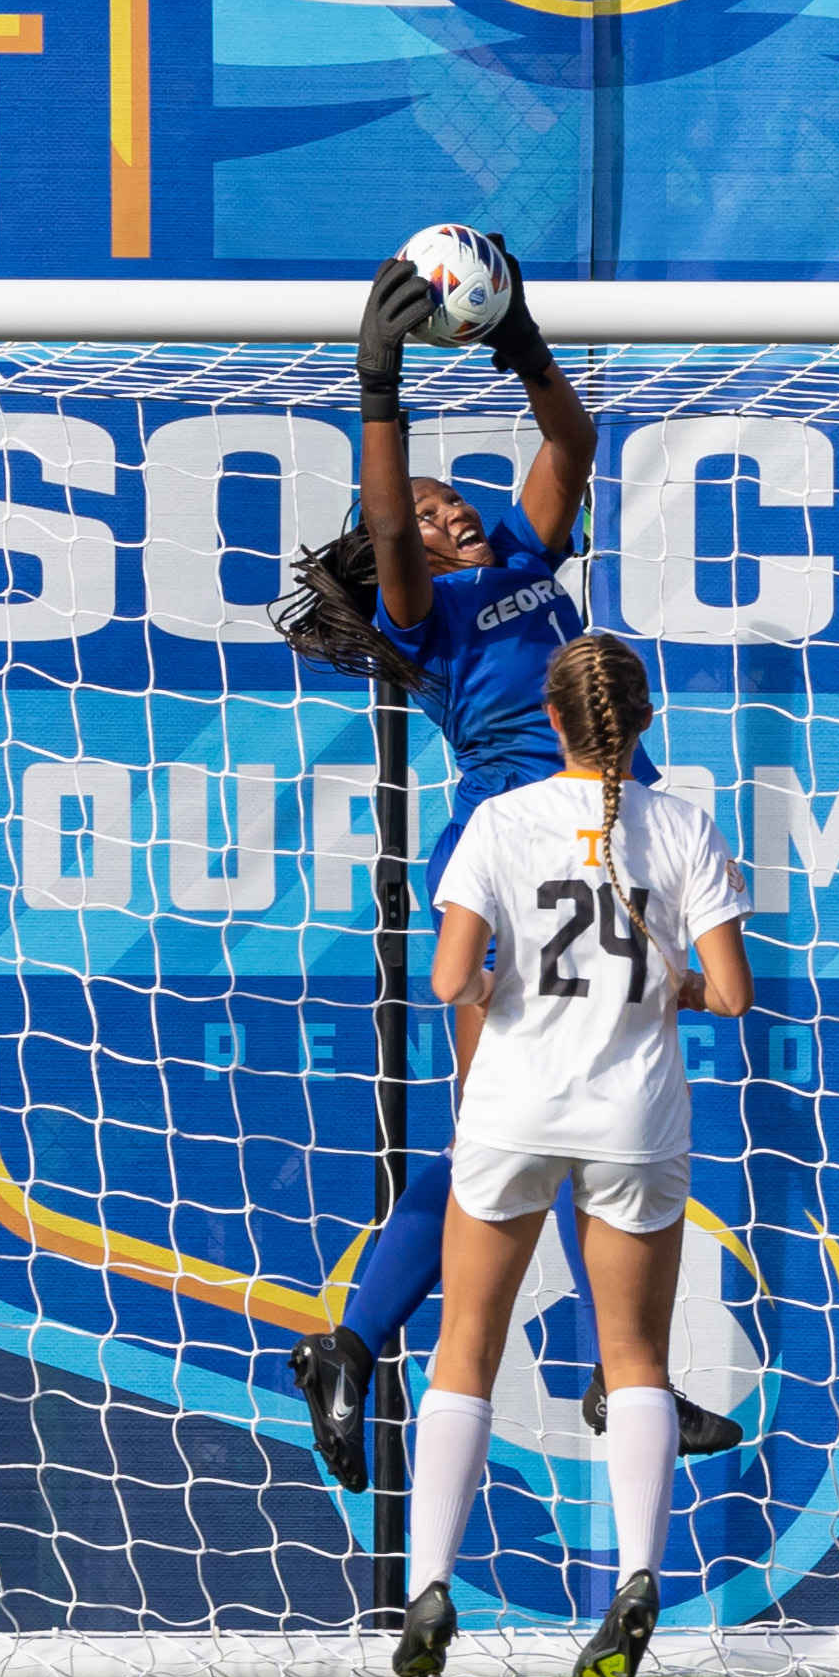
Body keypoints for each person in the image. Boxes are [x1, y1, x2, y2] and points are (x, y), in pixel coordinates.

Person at [272, 251, 736, 1486]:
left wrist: (522, 344)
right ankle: (399, 1346)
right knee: (511, 1126)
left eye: (447, 503)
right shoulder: (423, 613)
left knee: (582, 1115)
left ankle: (566, 1364)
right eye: (424, 516)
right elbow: (383, 526)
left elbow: (571, 446)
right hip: (518, 849)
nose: (447, 512)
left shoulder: (527, 567)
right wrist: (378, 388)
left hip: (612, 838)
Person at [395, 636, 751, 1677]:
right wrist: (656, 988)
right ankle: (637, 1574)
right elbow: (730, 994)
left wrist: (518, 981)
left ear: (548, 720)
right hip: (634, 1114)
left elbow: (450, 975)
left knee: (465, 1342)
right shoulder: (682, 824)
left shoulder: (499, 822)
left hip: (512, 1105)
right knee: (635, 1353)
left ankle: (427, 1586)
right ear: (644, 722)